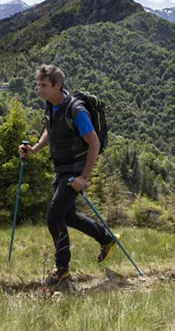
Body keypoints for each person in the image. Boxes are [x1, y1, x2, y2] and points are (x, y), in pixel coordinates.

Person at [19, 64, 117, 288]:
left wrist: (84, 177)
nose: (39, 89)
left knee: (53, 217)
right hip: (61, 167)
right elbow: (50, 131)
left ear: (58, 86)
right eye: (38, 84)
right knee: (68, 216)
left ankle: (61, 269)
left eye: (44, 85)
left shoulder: (76, 110)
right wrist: (35, 149)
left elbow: (94, 142)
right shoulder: (51, 106)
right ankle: (106, 239)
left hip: (75, 169)